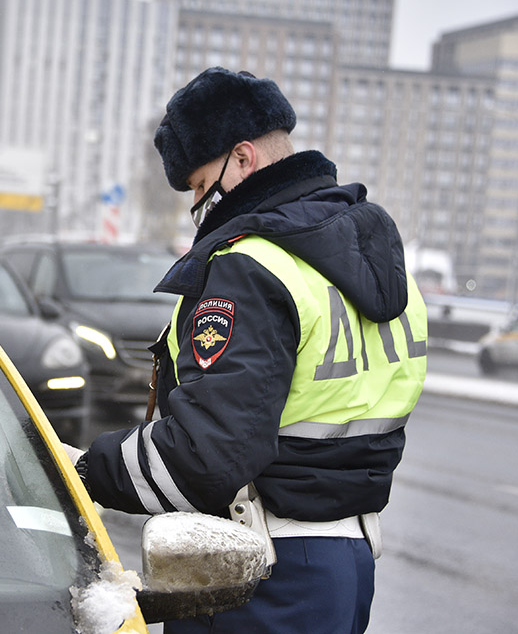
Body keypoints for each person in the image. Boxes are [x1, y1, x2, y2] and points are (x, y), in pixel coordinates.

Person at [64, 67, 428, 633]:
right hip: (347, 565)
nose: (198, 205)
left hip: (257, 576)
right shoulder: (374, 261)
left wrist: (83, 470)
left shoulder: (251, 264)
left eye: (199, 185)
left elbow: (206, 454)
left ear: (242, 158)